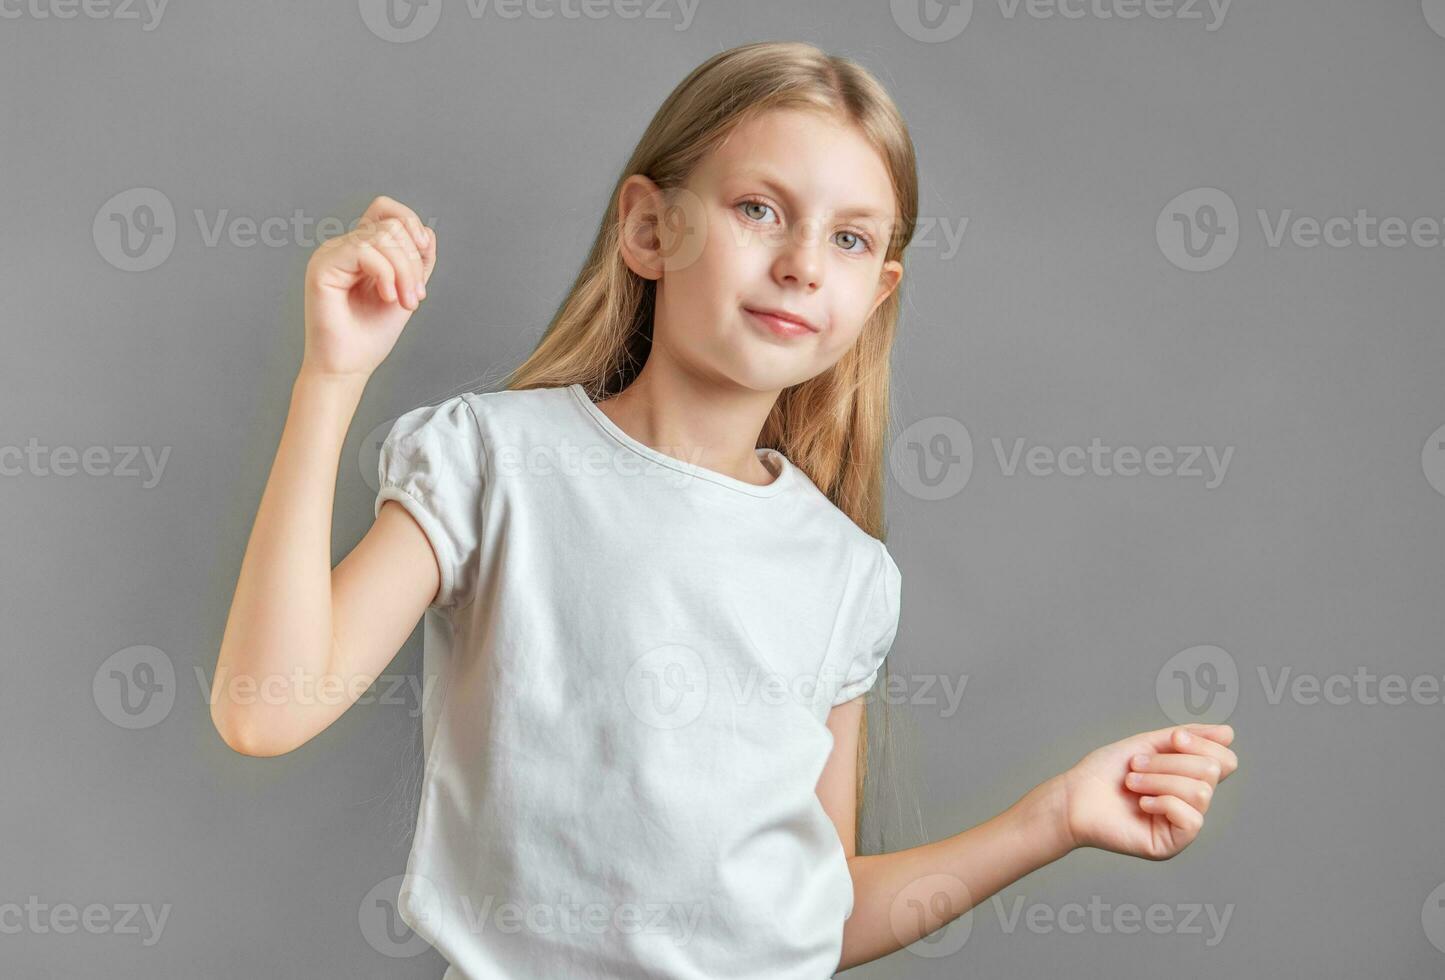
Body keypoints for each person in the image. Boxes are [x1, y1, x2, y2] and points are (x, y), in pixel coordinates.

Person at [210, 40, 1240, 979]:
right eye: (760, 209)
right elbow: (264, 704)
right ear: (649, 229)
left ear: (874, 295)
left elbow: (817, 918)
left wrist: (1050, 816)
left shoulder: (846, 574)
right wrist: (332, 376)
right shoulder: (496, 461)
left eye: (847, 238)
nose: (799, 260)